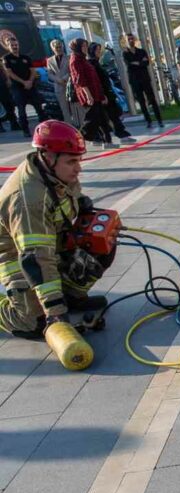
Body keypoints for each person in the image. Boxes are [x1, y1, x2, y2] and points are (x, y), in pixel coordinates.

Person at [0, 121, 103, 370]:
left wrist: (83, 204)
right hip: (16, 255)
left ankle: (72, 297)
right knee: (34, 324)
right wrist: (55, 312)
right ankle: (15, 309)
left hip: (50, 243)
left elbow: (70, 195)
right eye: (71, 162)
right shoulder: (27, 200)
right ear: (47, 156)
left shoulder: (55, 173)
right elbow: (35, 260)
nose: (78, 169)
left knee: (100, 245)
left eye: (79, 160)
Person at [68, 39, 113, 148]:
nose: (85, 48)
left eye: (85, 46)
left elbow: (95, 79)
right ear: (77, 47)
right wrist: (88, 95)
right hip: (88, 94)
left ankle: (108, 141)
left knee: (103, 118)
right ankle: (75, 139)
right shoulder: (75, 60)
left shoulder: (84, 59)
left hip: (96, 92)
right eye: (83, 46)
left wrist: (102, 95)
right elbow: (79, 80)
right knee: (91, 120)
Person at [3, 37, 46, 137]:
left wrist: (30, 81)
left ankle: (44, 128)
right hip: (18, 88)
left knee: (39, 108)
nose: (15, 47)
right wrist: (23, 82)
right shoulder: (7, 59)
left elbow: (32, 70)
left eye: (16, 45)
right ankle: (26, 130)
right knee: (21, 111)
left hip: (30, 86)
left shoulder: (26, 57)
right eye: (12, 45)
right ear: (8, 46)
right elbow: (10, 73)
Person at [87, 42, 131, 140]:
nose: (99, 52)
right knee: (108, 116)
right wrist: (102, 95)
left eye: (99, 50)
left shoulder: (97, 62)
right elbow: (96, 81)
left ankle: (121, 133)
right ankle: (108, 136)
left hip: (108, 92)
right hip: (102, 94)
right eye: (97, 50)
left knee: (114, 114)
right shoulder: (92, 63)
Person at [123, 34, 164, 129]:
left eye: (132, 38)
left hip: (145, 78)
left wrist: (137, 63)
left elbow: (146, 62)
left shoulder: (141, 51)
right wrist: (140, 62)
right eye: (128, 39)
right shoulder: (125, 53)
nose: (131, 40)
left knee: (152, 99)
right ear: (126, 41)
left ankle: (159, 120)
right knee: (141, 102)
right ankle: (148, 121)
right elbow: (129, 64)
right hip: (134, 80)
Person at [46, 40, 76, 128]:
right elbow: (50, 73)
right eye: (56, 47)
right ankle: (69, 126)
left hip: (70, 85)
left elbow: (72, 70)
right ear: (53, 48)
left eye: (60, 46)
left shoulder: (69, 57)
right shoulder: (49, 60)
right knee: (64, 109)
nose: (59, 48)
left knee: (73, 107)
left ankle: (78, 125)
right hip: (58, 87)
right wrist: (58, 80)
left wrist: (65, 78)